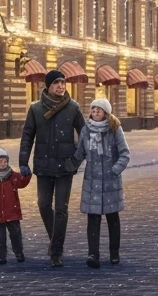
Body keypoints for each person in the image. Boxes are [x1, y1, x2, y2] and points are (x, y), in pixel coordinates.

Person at [19, 68, 85, 267]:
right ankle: (54, 239)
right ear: (48, 86)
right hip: (44, 165)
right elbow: (27, 136)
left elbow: (85, 136)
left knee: (61, 210)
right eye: (57, 83)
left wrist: (75, 161)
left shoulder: (73, 107)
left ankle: (56, 251)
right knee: (43, 205)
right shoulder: (36, 109)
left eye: (63, 83)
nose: (61, 86)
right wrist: (23, 161)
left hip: (65, 166)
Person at [74, 97, 130, 268]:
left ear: (106, 113)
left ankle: (114, 252)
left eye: (99, 110)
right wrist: (69, 167)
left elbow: (125, 154)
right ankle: (93, 254)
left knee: (113, 218)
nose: (95, 112)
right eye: (93, 109)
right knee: (93, 219)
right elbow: (80, 153)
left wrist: (114, 170)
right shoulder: (86, 130)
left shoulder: (114, 129)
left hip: (110, 183)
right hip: (92, 182)